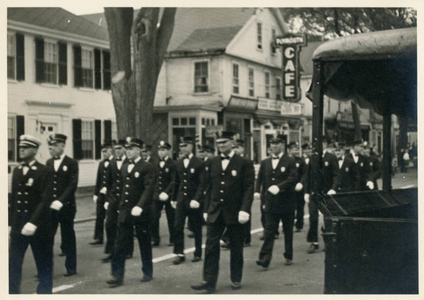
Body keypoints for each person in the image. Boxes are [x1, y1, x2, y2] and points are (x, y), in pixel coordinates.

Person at [191, 131, 254, 293]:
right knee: (211, 247)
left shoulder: (244, 162)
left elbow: (248, 188)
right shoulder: (211, 162)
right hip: (215, 211)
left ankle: (236, 278)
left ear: (232, 142)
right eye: (218, 143)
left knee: (236, 247)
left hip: (235, 212)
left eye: (224, 142)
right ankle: (209, 281)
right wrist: (206, 209)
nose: (221, 146)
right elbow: (207, 187)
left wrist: (244, 209)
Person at [107, 137, 155, 287]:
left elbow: (148, 189)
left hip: (141, 212)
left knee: (144, 242)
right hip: (125, 211)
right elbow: (119, 188)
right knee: (120, 243)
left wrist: (140, 206)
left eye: (131, 149)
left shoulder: (147, 166)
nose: (128, 152)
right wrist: (111, 202)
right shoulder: (124, 166)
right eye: (126, 149)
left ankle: (147, 271)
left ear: (139, 150)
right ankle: (117, 275)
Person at [9, 135, 53, 294]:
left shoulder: (44, 171)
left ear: (34, 150)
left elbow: (45, 200)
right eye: (20, 147)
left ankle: (45, 293)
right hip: (18, 224)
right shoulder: (17, 170)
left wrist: (33, 222)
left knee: (43, 263)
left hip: (38, 226)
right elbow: (14, 199)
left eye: (25, 147)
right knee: (13, 264)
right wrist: (9, 223)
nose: (21, 150)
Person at [255, 134, 297, 269]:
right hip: (271, 202)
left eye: (276, 144)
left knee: (288, 230)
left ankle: (288, 254)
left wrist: (279, 187)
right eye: (271, 144)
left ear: (282, 146)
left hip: (286, 202)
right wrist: (257, 191)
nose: (273, 147)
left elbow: (293, 178)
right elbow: (260, 178)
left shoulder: (289, 161)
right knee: (269, 231)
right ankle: (264, 259)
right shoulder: (265, 162)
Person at [46, 133, 79, 276]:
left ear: (62, 146)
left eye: (54, 145)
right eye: (50, 146)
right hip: (51, 207)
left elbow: (72, 184)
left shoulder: (71, 163)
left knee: (68, 237)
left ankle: (71, 267)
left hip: (66, 206)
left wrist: (61, 200)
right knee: (47, 238)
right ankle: (45, 268)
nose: (51, 148)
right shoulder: (48, 162)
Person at [172, 136, 206, 264]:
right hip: (181, 199)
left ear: (191, 147)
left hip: (194, 201)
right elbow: (176, 182)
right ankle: (179, 253)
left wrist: (197, 199)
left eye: (185, 146)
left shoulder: (199, 163)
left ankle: (197, 252)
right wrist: (173, 198)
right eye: (181, 146)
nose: (183, 148)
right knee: (177, 226)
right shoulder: (178, 163)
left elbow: (202, 183)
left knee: (196, 227)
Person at [303, 139, 339, 254]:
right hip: (314, 193)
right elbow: (307, 175)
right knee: (313, 218)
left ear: (325, 144)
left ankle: (328, 242)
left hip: (326, 193)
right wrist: (307, 192)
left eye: (321, 143)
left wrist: (333, 188)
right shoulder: (312, 158)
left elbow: (336, 175)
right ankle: (314, 242)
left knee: (327, 218)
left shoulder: (331, 157)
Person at [101, 139, 133, 263]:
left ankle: (128, 250)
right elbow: (108, 183)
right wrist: (108, 199)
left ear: (125, 149)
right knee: (109, 224)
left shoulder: (129, 162)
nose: (117, 151)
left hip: (126, 198)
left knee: (126, 224)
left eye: (120, 148)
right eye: (116, 149)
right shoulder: (112, 162)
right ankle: (110, 251)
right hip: (114, 198)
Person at [221, 139, 252, 248]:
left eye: (238, 147)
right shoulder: (226, 161)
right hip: (230, 196)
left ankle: (246, 239)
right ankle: (228, 238)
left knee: (244, 219)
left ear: (242, 148)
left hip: (242, 196)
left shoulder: (245, 161)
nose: (236, 150)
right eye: (234, 148)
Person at [151, 140, 177, 247]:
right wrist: (156, 192)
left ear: (168, 151)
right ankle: (155, 238)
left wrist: (167, 192)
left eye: (163, 150)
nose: (161, 152)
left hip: (169, 194)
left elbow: (174, 180)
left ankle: (173, 238)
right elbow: (153, 179)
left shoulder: (173, 164)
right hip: (157, 194)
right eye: (159, 150)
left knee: (171, 217)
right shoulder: (155, 163)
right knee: (153, 217)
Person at [91, 142, 114, 246]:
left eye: (106, 151)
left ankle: (112, 239)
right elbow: (98, 179)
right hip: (101, 194)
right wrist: (96, 193)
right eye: (102, 151)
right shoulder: (101, 163)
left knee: (111, 218)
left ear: (110, 150)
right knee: (99, 216)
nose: (104, 153)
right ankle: (98, 238)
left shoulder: (114, 162)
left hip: (110, 194)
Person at [287, 142, 306, 233]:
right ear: (289, 150)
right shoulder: (285, 160)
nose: (297, 151)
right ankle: (287, 225)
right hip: (288, 188)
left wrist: (301, 183)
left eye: (297, 149)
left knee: (300, 206)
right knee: (288, 207)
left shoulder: (300, 160)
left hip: (298, 187)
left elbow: (304, 173)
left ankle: (299, 224)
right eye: (295, 149)